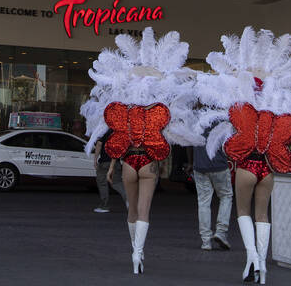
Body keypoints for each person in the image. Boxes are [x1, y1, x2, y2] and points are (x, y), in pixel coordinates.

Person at [195, 27, 291, 284]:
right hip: (268, 168)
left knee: (243, 212)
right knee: (262, 215)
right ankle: (263, 269)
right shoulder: (277, 99)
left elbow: (227, 122)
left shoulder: (239, 96)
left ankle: (252, 260)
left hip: (246, 166)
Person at [81, 28, 202, 274]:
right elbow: (169, 130)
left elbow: (116, 139)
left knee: (132, 209)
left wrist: (113, 165)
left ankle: (134, 250)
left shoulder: (125, 102)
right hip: (149, 163)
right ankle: (139, 252)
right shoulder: (159, 105)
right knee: (144, 210)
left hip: (128, 162)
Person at [187, 140, 232, 250]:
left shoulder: (195, 123)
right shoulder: (223, 121)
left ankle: (206, 241)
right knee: (226, 196)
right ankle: (221, 232)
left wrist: (191, 162)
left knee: (203, 202)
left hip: (200, 165)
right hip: (219, 164)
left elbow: (189, 143)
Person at [93, 129, 125, 212]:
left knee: (102, 183)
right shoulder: (118, 130)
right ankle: (130, 201)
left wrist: (95, 159)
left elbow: (99, 144)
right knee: (117, 183)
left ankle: (104, 206)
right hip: (116, 162)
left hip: (104, 162)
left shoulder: (103, 130)